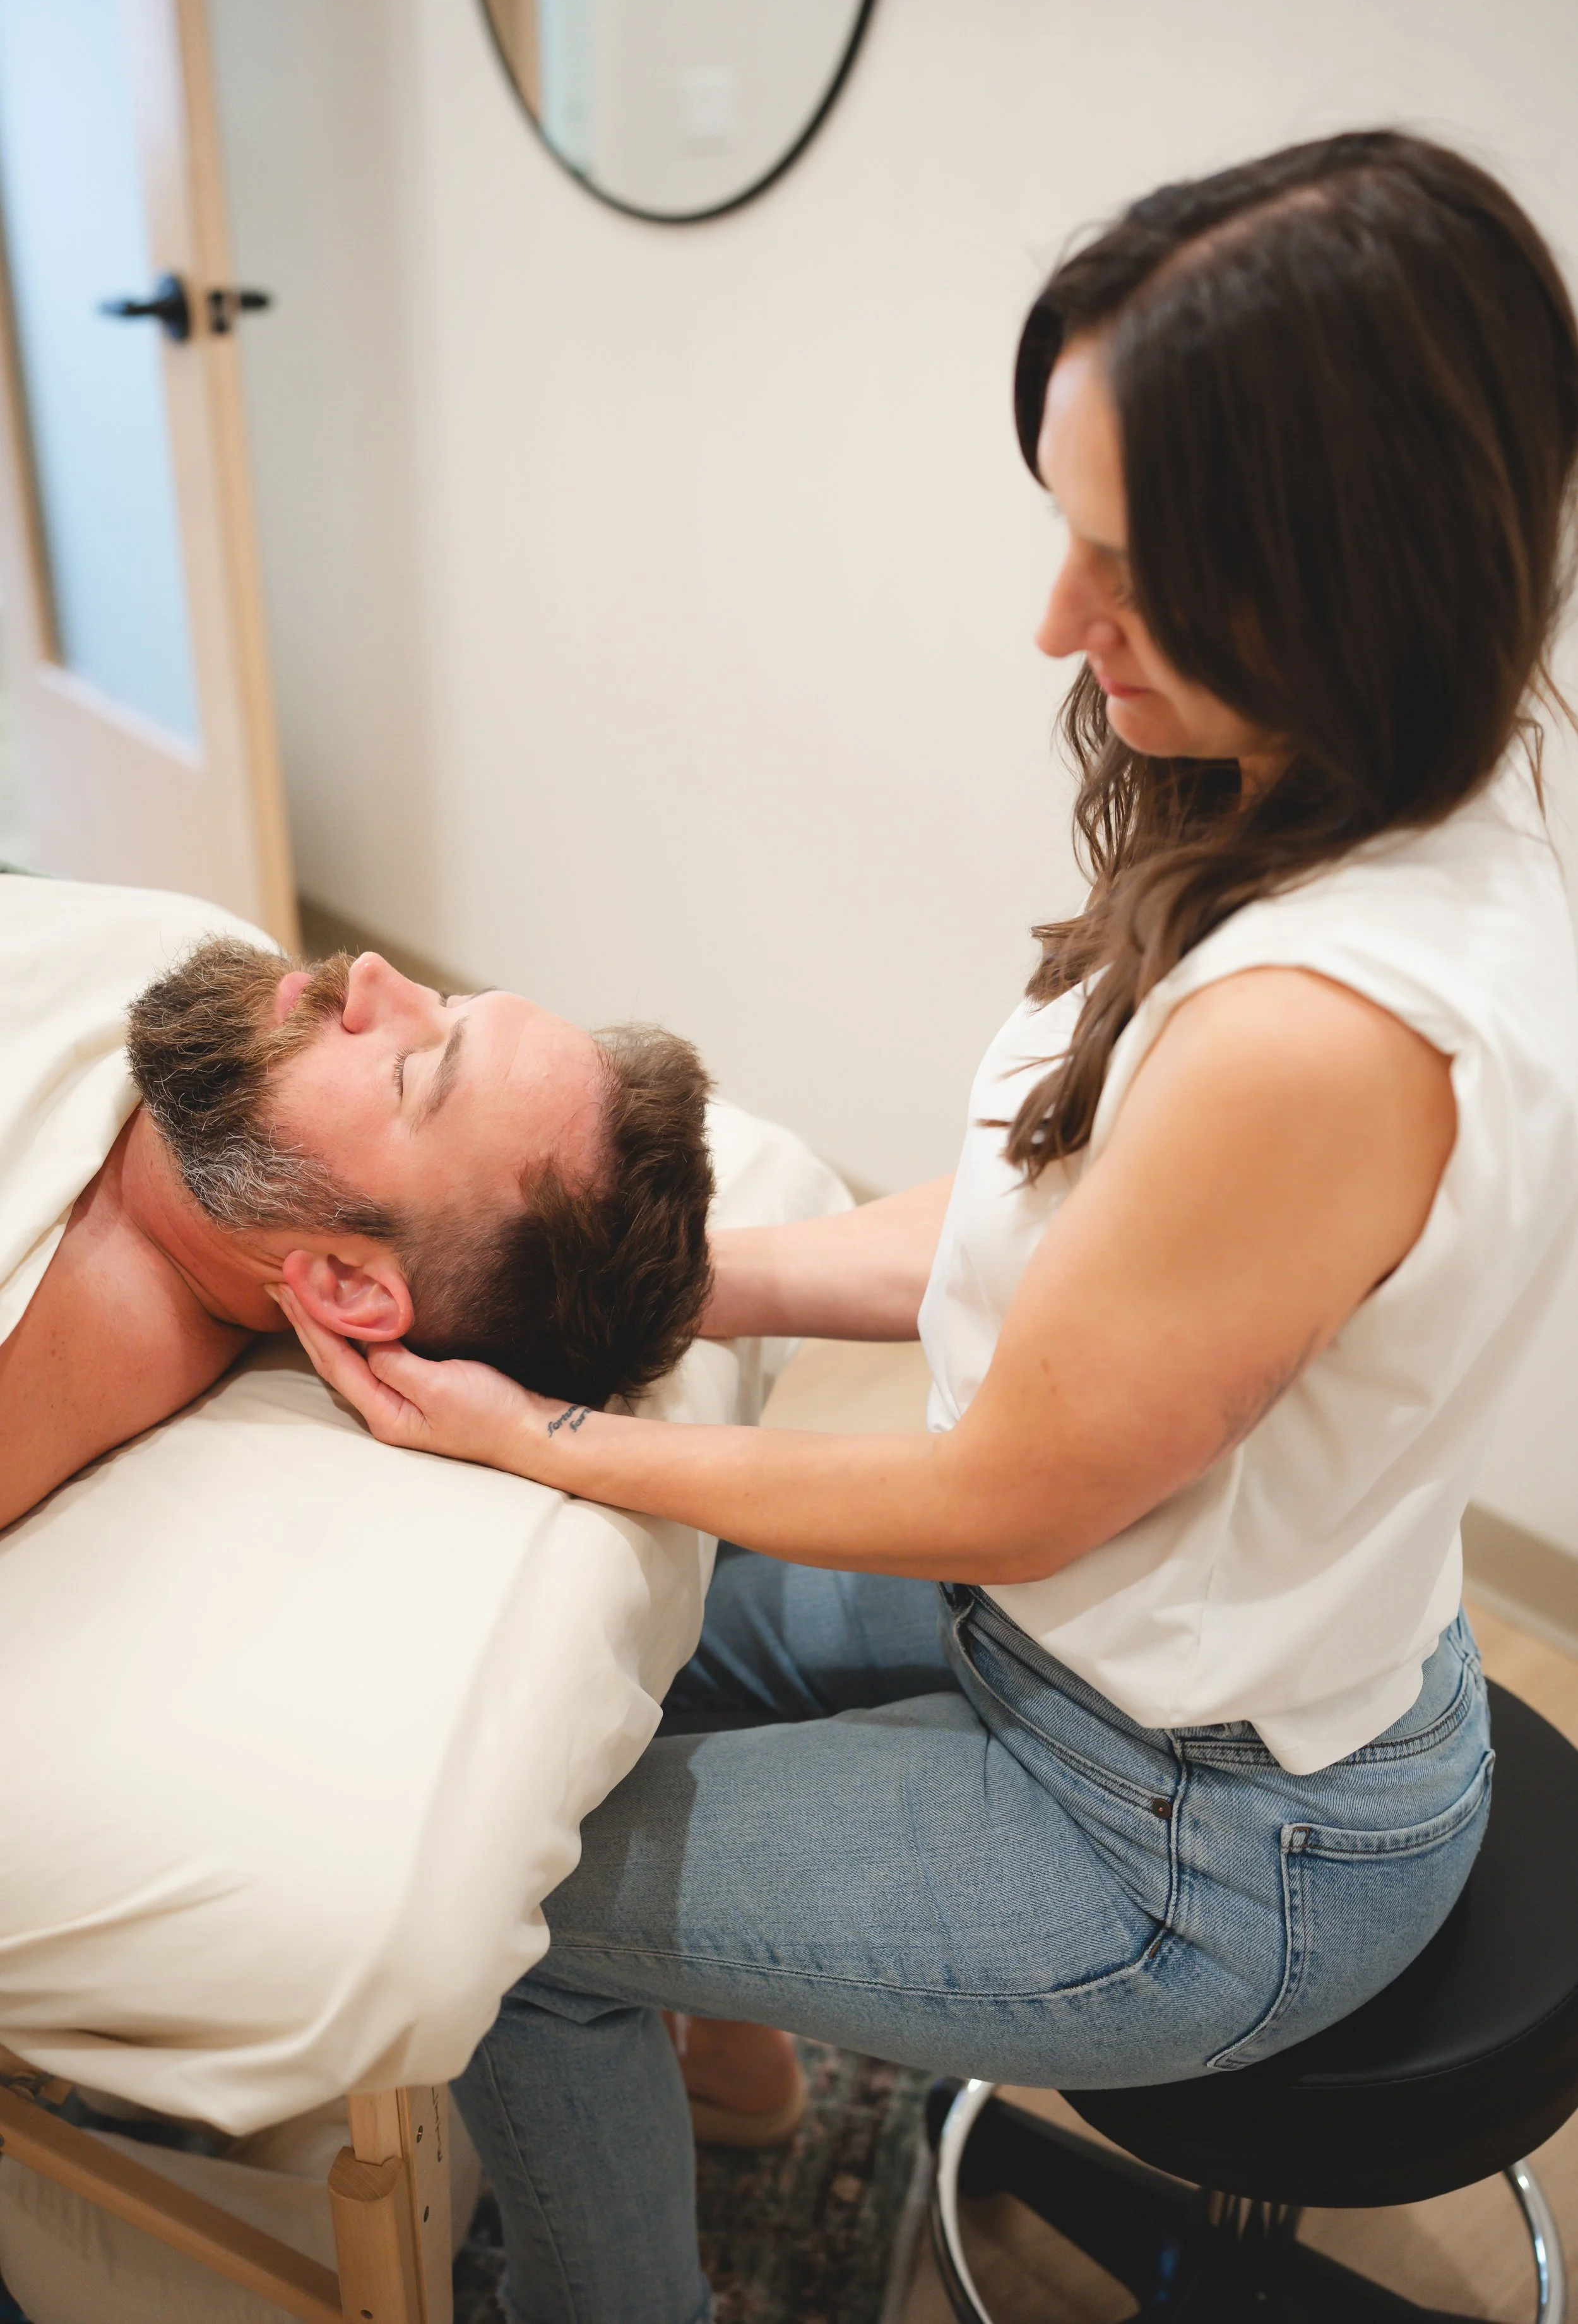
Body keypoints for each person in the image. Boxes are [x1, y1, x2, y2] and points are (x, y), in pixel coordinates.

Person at [284, 129, 1578, 2324]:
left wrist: (542, 1438)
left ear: (1353, 570)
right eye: (1067, 536)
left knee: (493, 1909)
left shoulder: (1322, 1033)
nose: (1058, 625)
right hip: (1189, 1665)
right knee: (606, 1653)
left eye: (1132, 571)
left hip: (1197, 1839)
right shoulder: (1393, 786)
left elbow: (1007, 1482)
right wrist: (686, 1290)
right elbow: (1039, 1246)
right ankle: (745, 2079)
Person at [0, 878, 714, 1533]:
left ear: (348, 1284)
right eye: (445, 1000)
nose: (373, 972)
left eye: (412, 1072)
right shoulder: (231, 983)